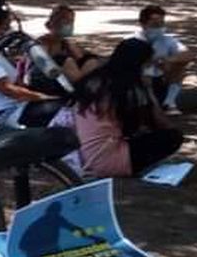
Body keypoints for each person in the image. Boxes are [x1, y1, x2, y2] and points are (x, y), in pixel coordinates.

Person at [73, 38, 184, 177]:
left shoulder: (95, 79)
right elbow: (160, 122)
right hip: (107, 158)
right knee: (172, 137)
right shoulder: (129, 90)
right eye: (148, 64)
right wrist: (149, 90)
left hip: (83, 153)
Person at [0, 3, 63, 128]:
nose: (10, 30)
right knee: (61, 111)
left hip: (16, 106)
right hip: (3, 113)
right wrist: (41, 97)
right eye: (7, 26)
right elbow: (5, 88)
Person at [137, 4, 193, 114]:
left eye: (161, 24)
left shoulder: (167, 40)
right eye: (155, 24)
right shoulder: (132, 41)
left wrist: (168, 60)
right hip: (138, 82)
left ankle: (169, 103)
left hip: (159, 80)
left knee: (180, 64)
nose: (159, 28)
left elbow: (188, 55)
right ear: (142, 24)